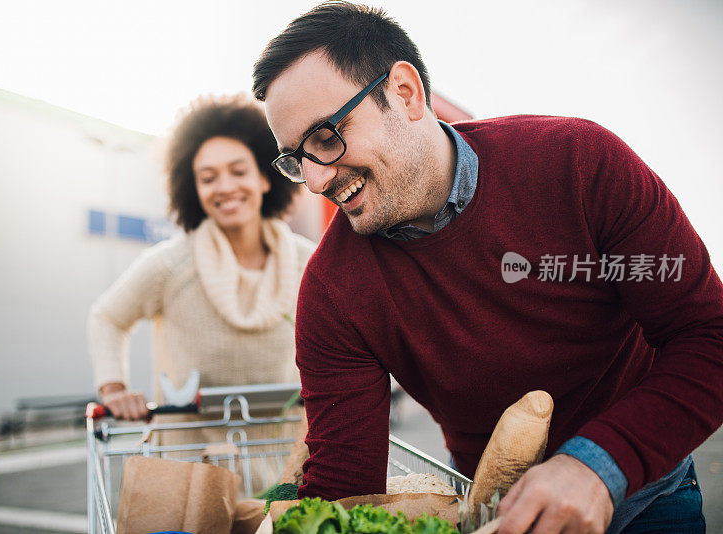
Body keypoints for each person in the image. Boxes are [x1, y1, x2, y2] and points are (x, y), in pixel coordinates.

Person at [251, 2, 723, 532]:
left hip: (648, 491)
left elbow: (708, 335)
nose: (315, 181)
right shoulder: (333, 292)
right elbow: (343, 482)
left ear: (404, 93)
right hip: (493, 511)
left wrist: (595, 468)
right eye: (297, 159)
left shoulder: (579, 164)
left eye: (325, 137)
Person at [87, 95, 316, 476]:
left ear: (264, 176)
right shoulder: (170, 265)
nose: (224, 187)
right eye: (208, 178)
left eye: (238, 171)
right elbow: (107, 317)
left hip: (286, 476)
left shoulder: (307, 263)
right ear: (194, 189)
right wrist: (113, 388)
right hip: (189, 479)